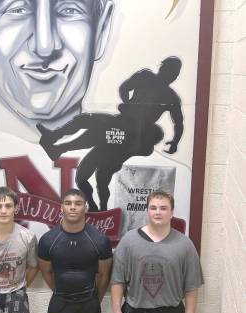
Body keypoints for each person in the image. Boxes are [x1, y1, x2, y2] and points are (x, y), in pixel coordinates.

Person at [38, 57, 183, 211]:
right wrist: (128, 103)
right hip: (122, 122)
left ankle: (58, 148)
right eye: (166, 69)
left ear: (174, 76)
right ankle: (56, 144)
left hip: (132, 135)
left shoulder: (171, 97)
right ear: (161, 68)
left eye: (172, 72)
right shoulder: (146, 76)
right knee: (87, 128)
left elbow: (178, 123)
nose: (168, 74)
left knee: (99, 169)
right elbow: (125, 87)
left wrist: (175, 141)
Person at [0, 0, 114, 142]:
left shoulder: (132, 157)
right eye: (17, 9)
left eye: (69, 10)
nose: (44, 47)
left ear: (101, 32)